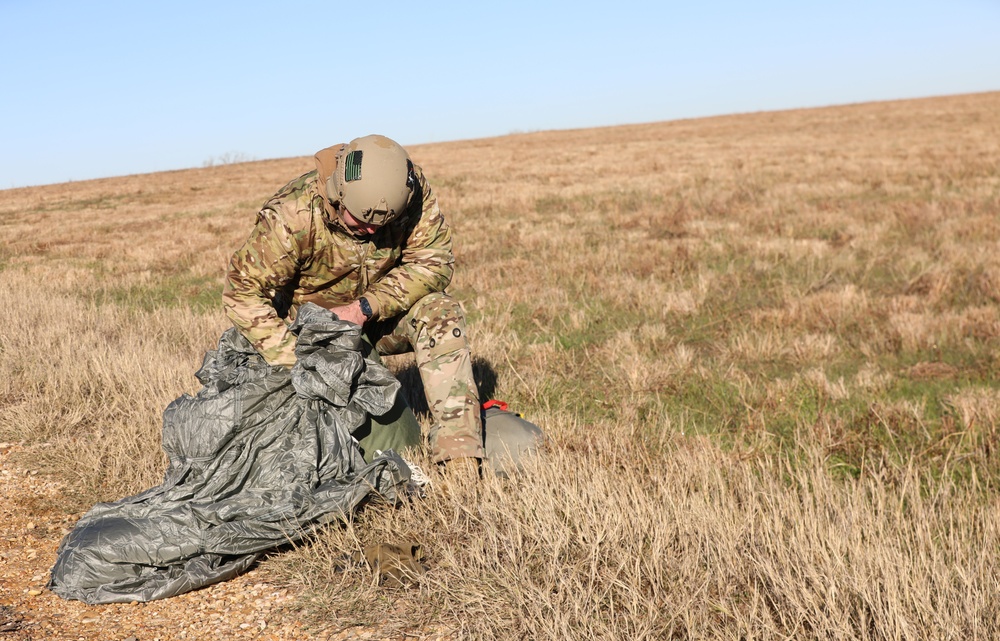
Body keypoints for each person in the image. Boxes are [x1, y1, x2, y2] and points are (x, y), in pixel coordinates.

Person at [223, 134, 484, 479]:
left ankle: (459, 457)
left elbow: (433, 263)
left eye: (381, 224)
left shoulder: (410, 191)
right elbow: (242, 291)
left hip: (378, 318)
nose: (371, 230)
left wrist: (365, 308)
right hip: (312, 335)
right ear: (337, 195)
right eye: (360, 222)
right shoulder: (294, 215)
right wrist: (296, 362)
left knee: (440, 312)